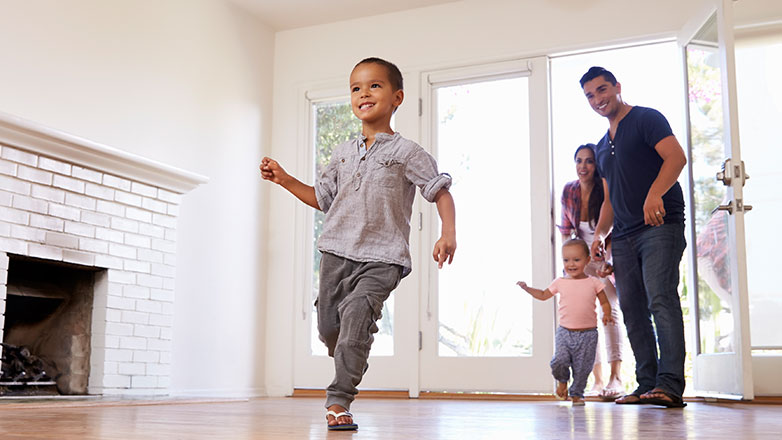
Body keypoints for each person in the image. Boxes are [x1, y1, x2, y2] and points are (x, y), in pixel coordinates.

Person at [260, 57, 456, 430]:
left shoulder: (406, 152)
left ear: (397, 97)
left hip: (383, 257)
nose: (363, 93)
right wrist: (284, 179)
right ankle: (354, 347)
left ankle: (338, 401)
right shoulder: (342, 152)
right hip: (336, 252)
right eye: (355, 88)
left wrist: (448, 232)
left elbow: (439, 191)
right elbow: (322, 198)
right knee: (329, 329)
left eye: (374, 86)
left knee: (354, 322)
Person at [580, 66, 688, 408]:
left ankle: (670, 384)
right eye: (590, 96)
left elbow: (676, 157)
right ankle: (646, 384)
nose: (598, 99)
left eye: (602, 90)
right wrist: (600, 234)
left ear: (617, 87)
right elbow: (611, 198)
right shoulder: (600, 146)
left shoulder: (646, 119)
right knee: (632, 308)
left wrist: (656, 193)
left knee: (660, 299)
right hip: (623, 235)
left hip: (659, 225)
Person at [558, 143, 625, 400]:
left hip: (609, 257)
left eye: (588, 161)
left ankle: (616, 377)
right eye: (579, 161)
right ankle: (596, 380)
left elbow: (614, 230)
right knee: (584, 319)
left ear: (596, 166)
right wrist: (568, 268)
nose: (582, 166)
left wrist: (605, 263)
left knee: (610, 312)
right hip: (583, 260)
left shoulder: (605, 191)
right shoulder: (570, 191)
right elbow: (566, 233)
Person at [517, 239, 613, 406]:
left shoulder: (593, 282)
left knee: (583, 368)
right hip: (565, 332)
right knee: (559, 361)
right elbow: (542, 295)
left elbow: (605, 302)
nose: (571, 264)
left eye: (577, 260)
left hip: (588, 334)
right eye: (566, 260)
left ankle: (577, 393)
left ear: (587, 260)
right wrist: (527, 289)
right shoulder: (560, 282)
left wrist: (607, 314)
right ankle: (562, 380)